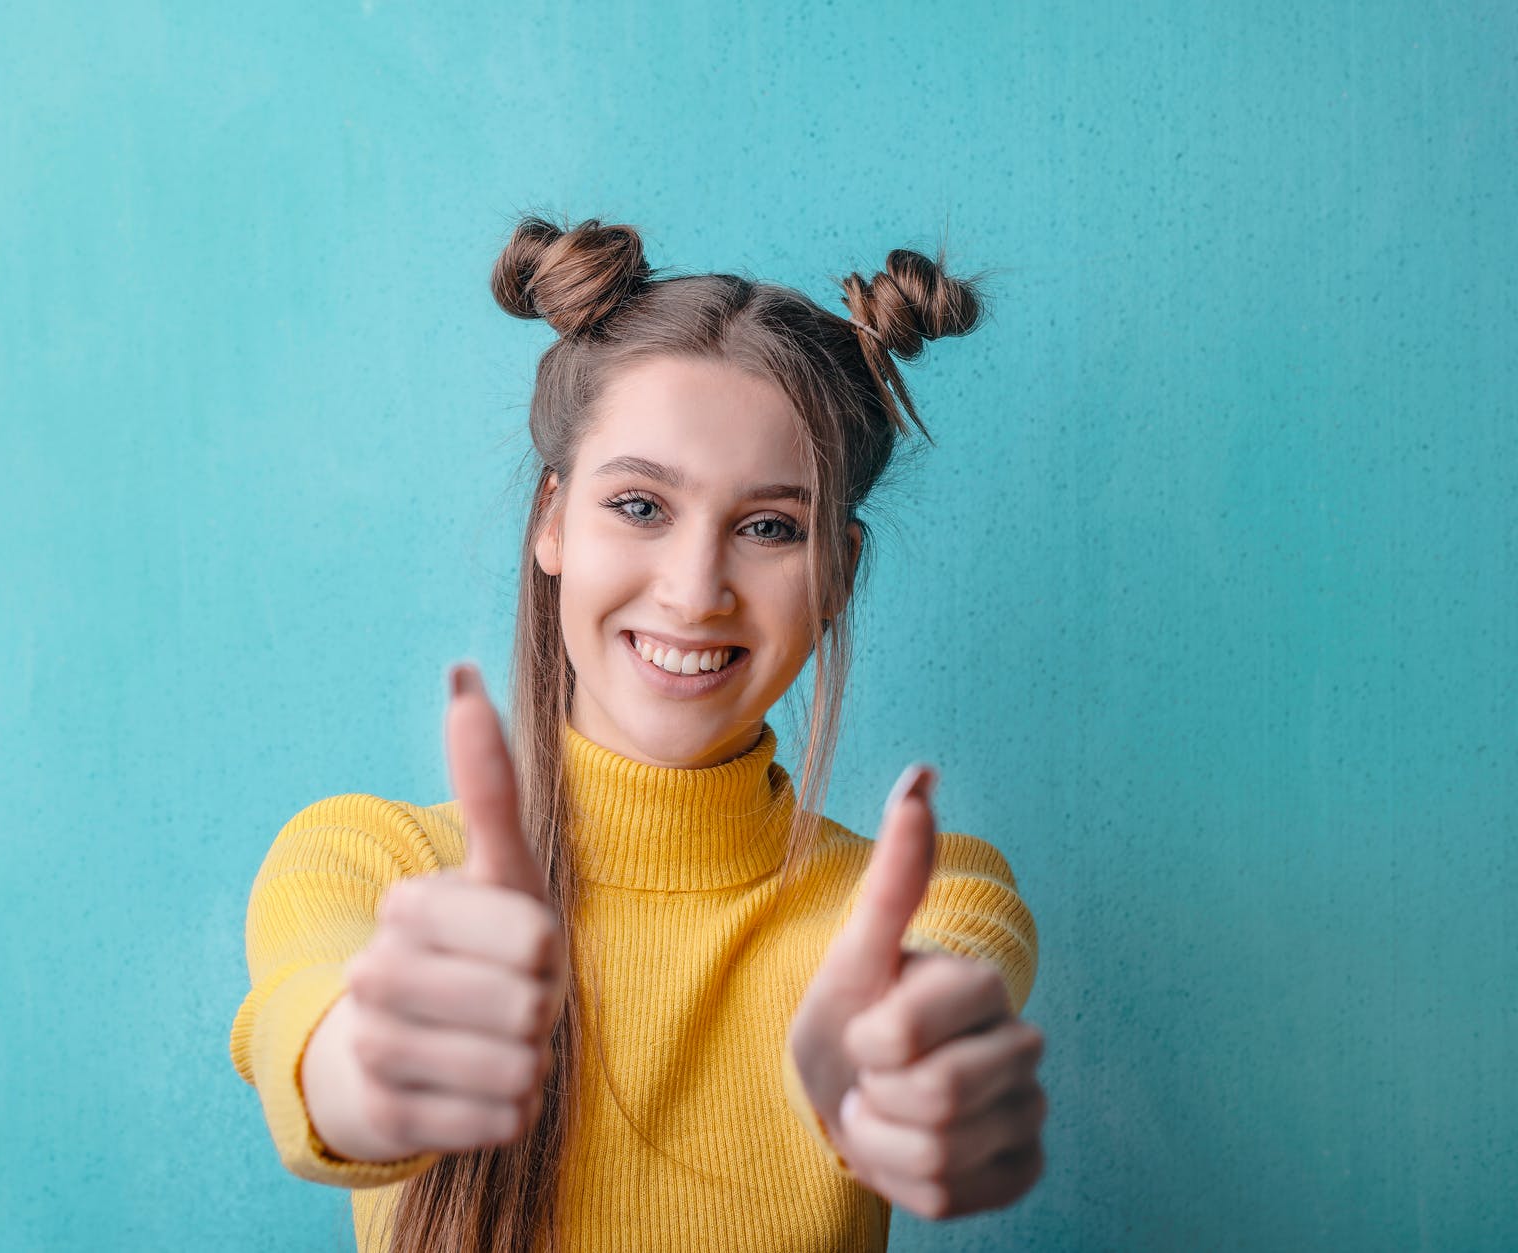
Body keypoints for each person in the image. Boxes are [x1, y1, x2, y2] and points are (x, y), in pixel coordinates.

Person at [228, 215, 1046, 1252]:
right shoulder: (366, 861)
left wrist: (907, 1052)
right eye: (639, 505)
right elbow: (321, 1037)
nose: (692, 590)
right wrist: (371, 1064)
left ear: (835, 569)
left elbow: (949, 972)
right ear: (555, 520)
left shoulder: (919, 892)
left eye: (767, 527)